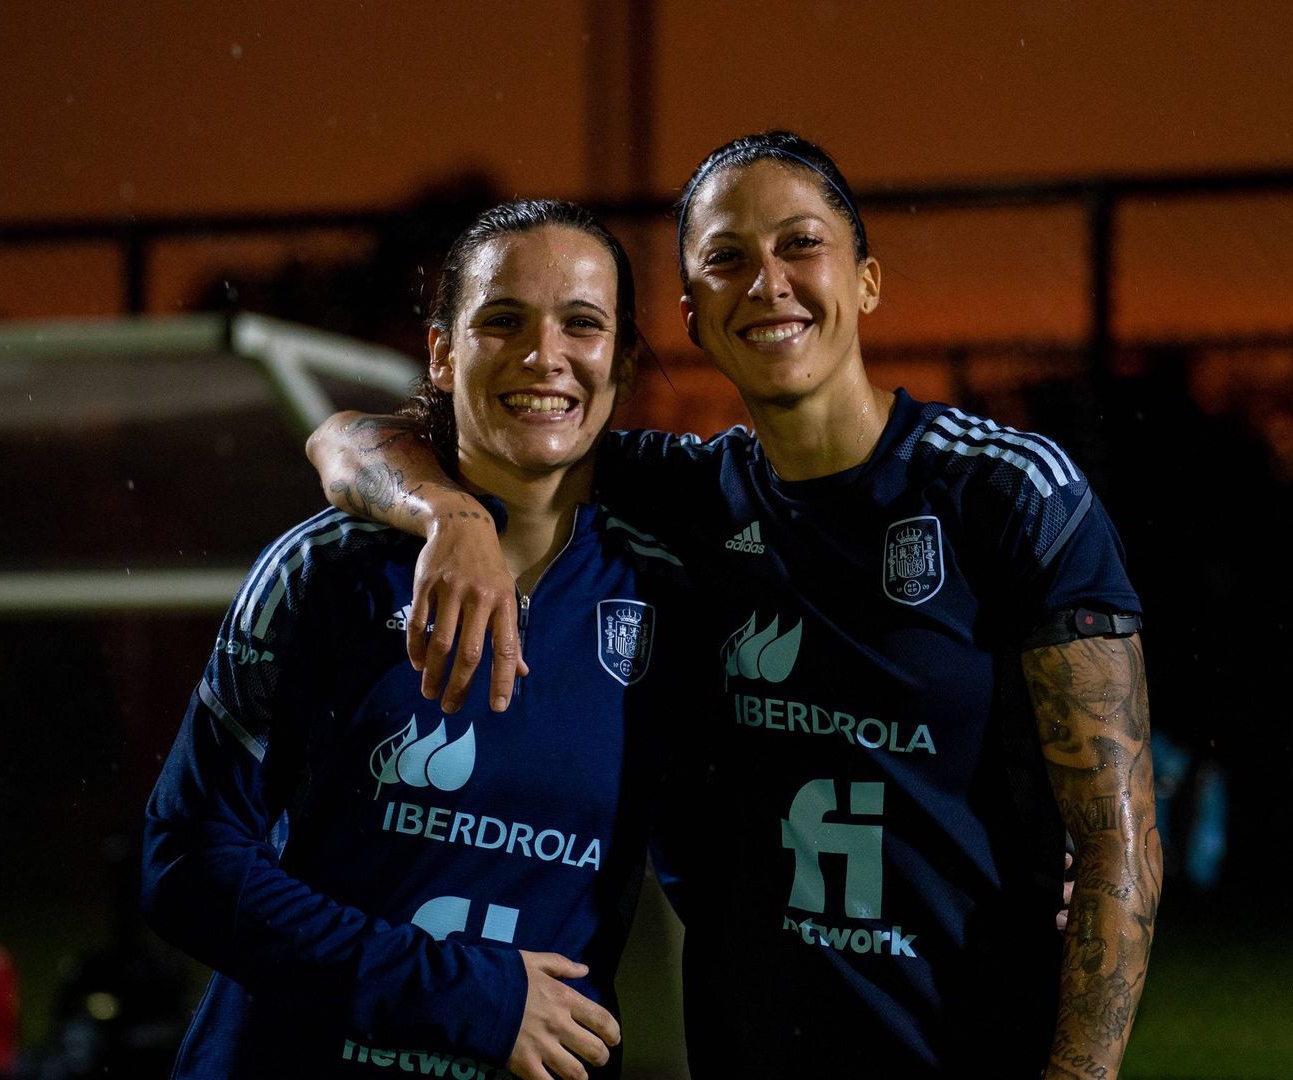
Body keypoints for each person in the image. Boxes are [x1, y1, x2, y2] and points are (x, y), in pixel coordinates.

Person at [307, 132, 1160, 1080]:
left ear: (868, 280)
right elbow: (350, 437)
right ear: (692, 314)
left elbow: (1117, 846)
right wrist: (450, 515)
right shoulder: (685, 496)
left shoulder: (1005, 494)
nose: (767, 284)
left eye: (800, 245)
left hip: (968, 1049)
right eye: (726, 259)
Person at [143, 199, 687, 1080]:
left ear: (620, 361)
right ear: (441, 352)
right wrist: (464, 994)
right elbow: (185, 864)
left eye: (581, 325)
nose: (544, 355)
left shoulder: (667, 596)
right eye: (502, 320)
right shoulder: (326, 572)